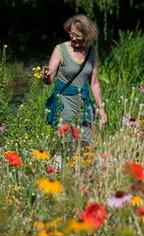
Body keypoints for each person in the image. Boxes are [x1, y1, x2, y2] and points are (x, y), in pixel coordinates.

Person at [42, 14, 107, 146]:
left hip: (84, 104)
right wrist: (46, 76)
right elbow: (49, 79)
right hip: (64, 102)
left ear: (87, 36)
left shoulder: (92, 51)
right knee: (66, 144)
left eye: (78, 36)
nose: (73, 38)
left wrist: (100, 108)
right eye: (71, 34)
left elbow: (94, 83)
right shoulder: (60, 49)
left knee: (86, 144)